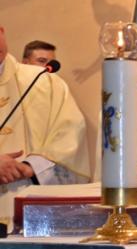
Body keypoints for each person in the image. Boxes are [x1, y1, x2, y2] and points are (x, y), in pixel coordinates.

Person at [0, 26, 89, 228]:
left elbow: (70, 135)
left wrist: (29, 167)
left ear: (2, 31)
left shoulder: (44, 81)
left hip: (31, 211)